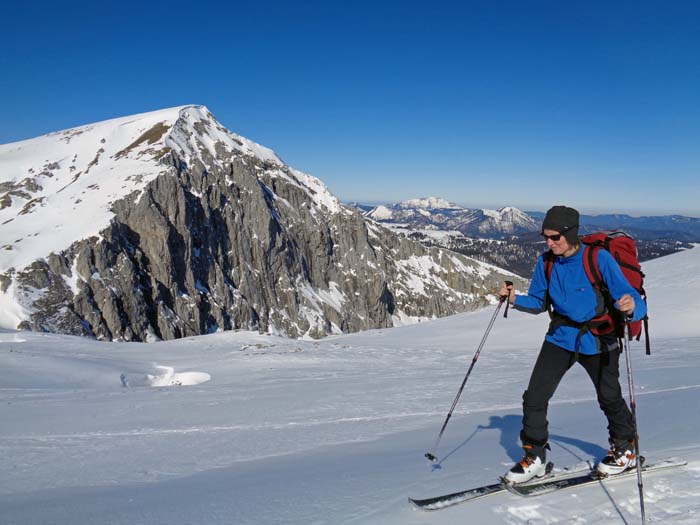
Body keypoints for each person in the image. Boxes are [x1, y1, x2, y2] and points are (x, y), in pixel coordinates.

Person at [499, 205, 647, 484]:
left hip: (600, 338)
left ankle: (625, 450)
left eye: (555, 237)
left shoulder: (598, 258)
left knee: (609, 398)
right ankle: (536, 457)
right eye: (546, 236)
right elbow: (539, 302)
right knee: (534, 397)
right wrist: (514, 299)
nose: (549, 242)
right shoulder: (546, 263)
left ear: (571, 233)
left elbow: (631, 298)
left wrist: (631, 308)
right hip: (561, 337)